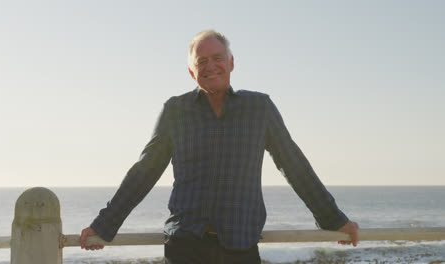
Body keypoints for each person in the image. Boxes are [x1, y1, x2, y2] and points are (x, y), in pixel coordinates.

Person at [80, 30, 359, 264]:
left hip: (240, 245)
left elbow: (293, 164)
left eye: (217, 58)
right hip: (184, 246)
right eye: (202, 61)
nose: (211, 66)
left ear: (231, 63)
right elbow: (145, 171)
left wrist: (333, 219)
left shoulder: (259, 107)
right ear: (192, 71)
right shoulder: (175, 110)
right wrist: (103, 227)